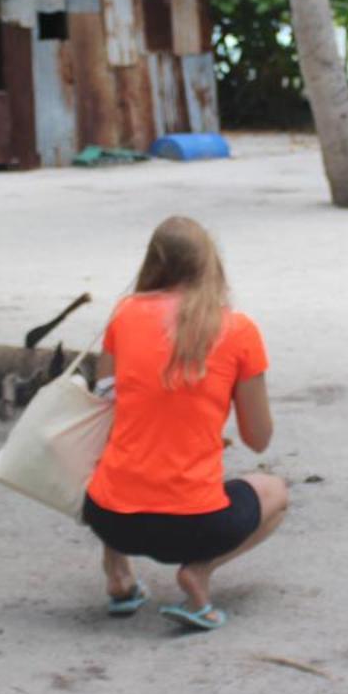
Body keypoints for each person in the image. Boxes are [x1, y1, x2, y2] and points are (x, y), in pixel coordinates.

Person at [82, 217, 287, 631]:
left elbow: (105, 400)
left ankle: (118, 575)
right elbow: (259, 439)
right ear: (211, 264)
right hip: (194, 527)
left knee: (112, 459)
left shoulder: (125, 314)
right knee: (275, 491)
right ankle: (199, 573)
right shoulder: (238, 329)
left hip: (109, 517)